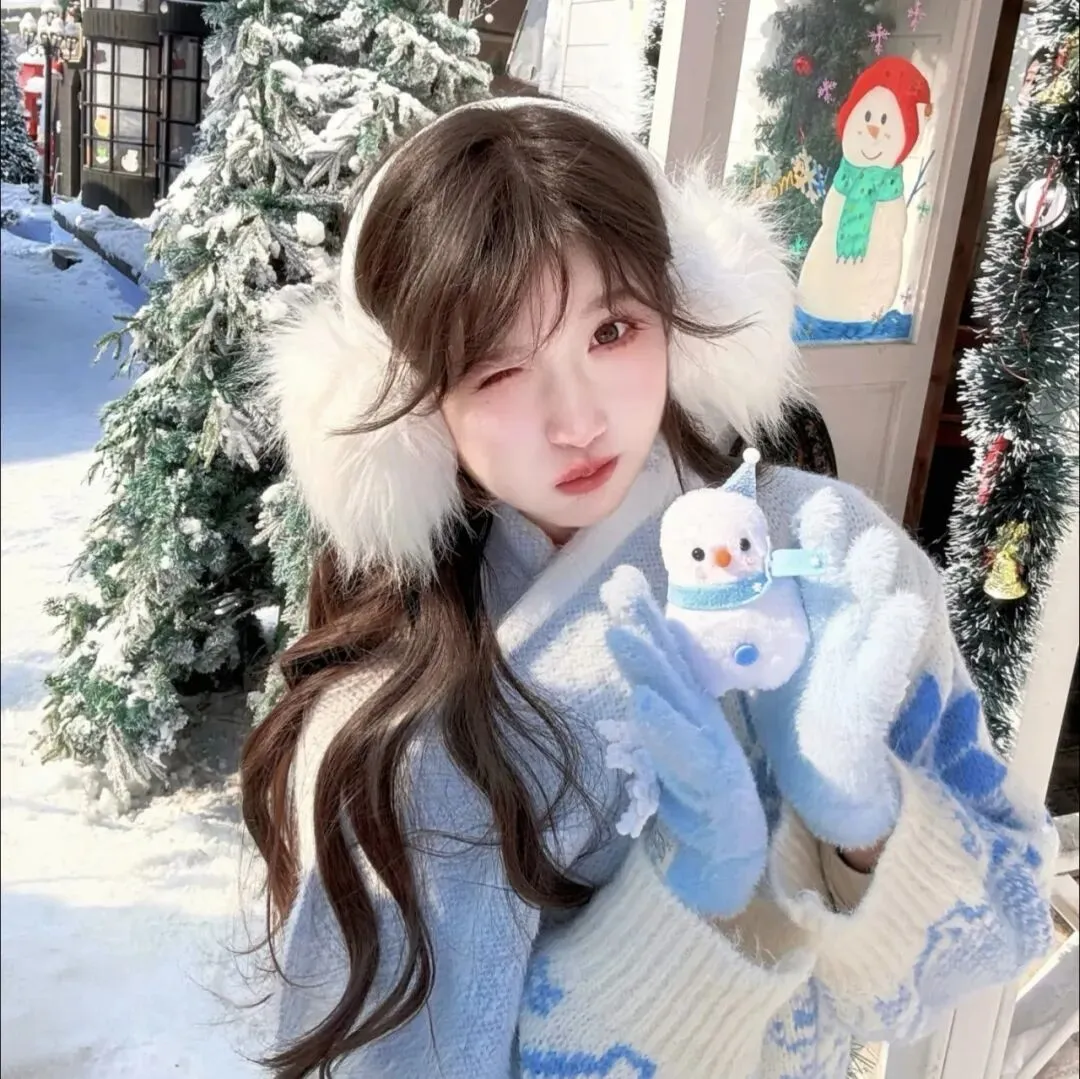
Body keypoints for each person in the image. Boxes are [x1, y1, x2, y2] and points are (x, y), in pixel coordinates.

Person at [243, 96, 1055, 1079]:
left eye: (612, 329)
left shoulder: (824, 557)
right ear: (414, 413)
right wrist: (696, 896)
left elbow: (1001, 922)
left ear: (681, 313)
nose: (576, 419)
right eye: (497, 370)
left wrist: (867, 822)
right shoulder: (389, 715)